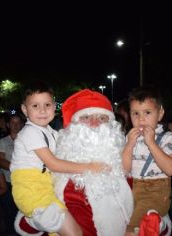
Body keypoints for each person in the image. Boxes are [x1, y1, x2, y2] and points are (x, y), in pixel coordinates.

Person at [10, 82, 108, 236]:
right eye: (35, 106)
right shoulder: (30, 132)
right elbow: (53, 164)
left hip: (46, 187)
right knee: (75, 233)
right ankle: (31, 221)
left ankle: (34, 221)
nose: (42, 110)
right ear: (24, 109)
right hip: (33, 189)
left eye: (47, 105)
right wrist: (90, 166)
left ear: (54, 106)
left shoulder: (51, 132)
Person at [53, 89, 134, 236]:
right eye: (86, 117)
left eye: (102, 118)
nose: (95, 124)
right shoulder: (59, 172)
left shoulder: (125, 162)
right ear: (72, 127)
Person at [122, 86, 172, 236]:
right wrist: (129, 146)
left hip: (156, 190)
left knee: (131, 231)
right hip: (133, 188)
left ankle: (160, 224)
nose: (141, 119)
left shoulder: (167, 137)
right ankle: (160, 224)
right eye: (135, 113)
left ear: (160, 114)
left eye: (147, 112)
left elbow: (170, 169)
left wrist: (151, 143)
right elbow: (124, 169)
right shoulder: (129, 137)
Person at [0, 113, 24, 234]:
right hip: (8, 183)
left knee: (23, 213)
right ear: (8, 125)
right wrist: (17, 168)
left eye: (18, 122)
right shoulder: (3, 141)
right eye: (12, 122)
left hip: (24, 183)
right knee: (10, 215)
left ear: (22, 125)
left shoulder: (27, 140)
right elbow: (0, 160)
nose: (15, 125)